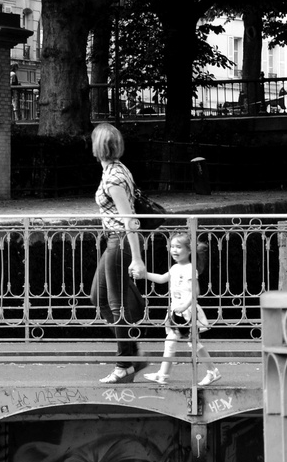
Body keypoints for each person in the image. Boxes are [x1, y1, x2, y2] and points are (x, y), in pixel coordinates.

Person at [90, 122, 148, 384]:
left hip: (120, 241)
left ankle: (124, 364)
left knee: (116, 304)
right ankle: (132, 352)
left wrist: (137, 258)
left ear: (98, 146)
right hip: (115, 240)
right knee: (98, 296)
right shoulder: (117, 170)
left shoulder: (113, 177)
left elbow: (130, 219)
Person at [140, 232, 220, 387]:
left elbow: (195, 292)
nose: (174, 250)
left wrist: (185, 306)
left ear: (189, 250)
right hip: (176, 312)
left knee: (193, 343)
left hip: (187, 312)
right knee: (171, 341)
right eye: (172, 247)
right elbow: (163, 278)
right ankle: (163, 375)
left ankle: (212, 371)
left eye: (178, 247)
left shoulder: (190, 269)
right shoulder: (175, 267)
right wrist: (145, 274)